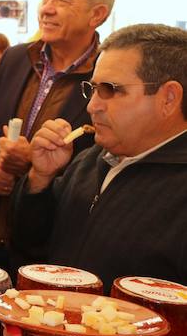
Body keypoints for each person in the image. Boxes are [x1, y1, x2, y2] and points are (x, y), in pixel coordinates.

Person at [0, 0, 116, 272]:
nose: (46, 9)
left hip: (48, 252)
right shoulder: (17, 58)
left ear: (97, 14)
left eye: (62, 0)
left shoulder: (108, 79)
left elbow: (103, 167)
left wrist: (32, 165)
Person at [11, 24, 187, 289]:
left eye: (110, 89)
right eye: (92, 89)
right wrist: (40, 179)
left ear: (169, 99)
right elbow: (33, 248)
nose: (92, 106)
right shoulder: (89, 161)